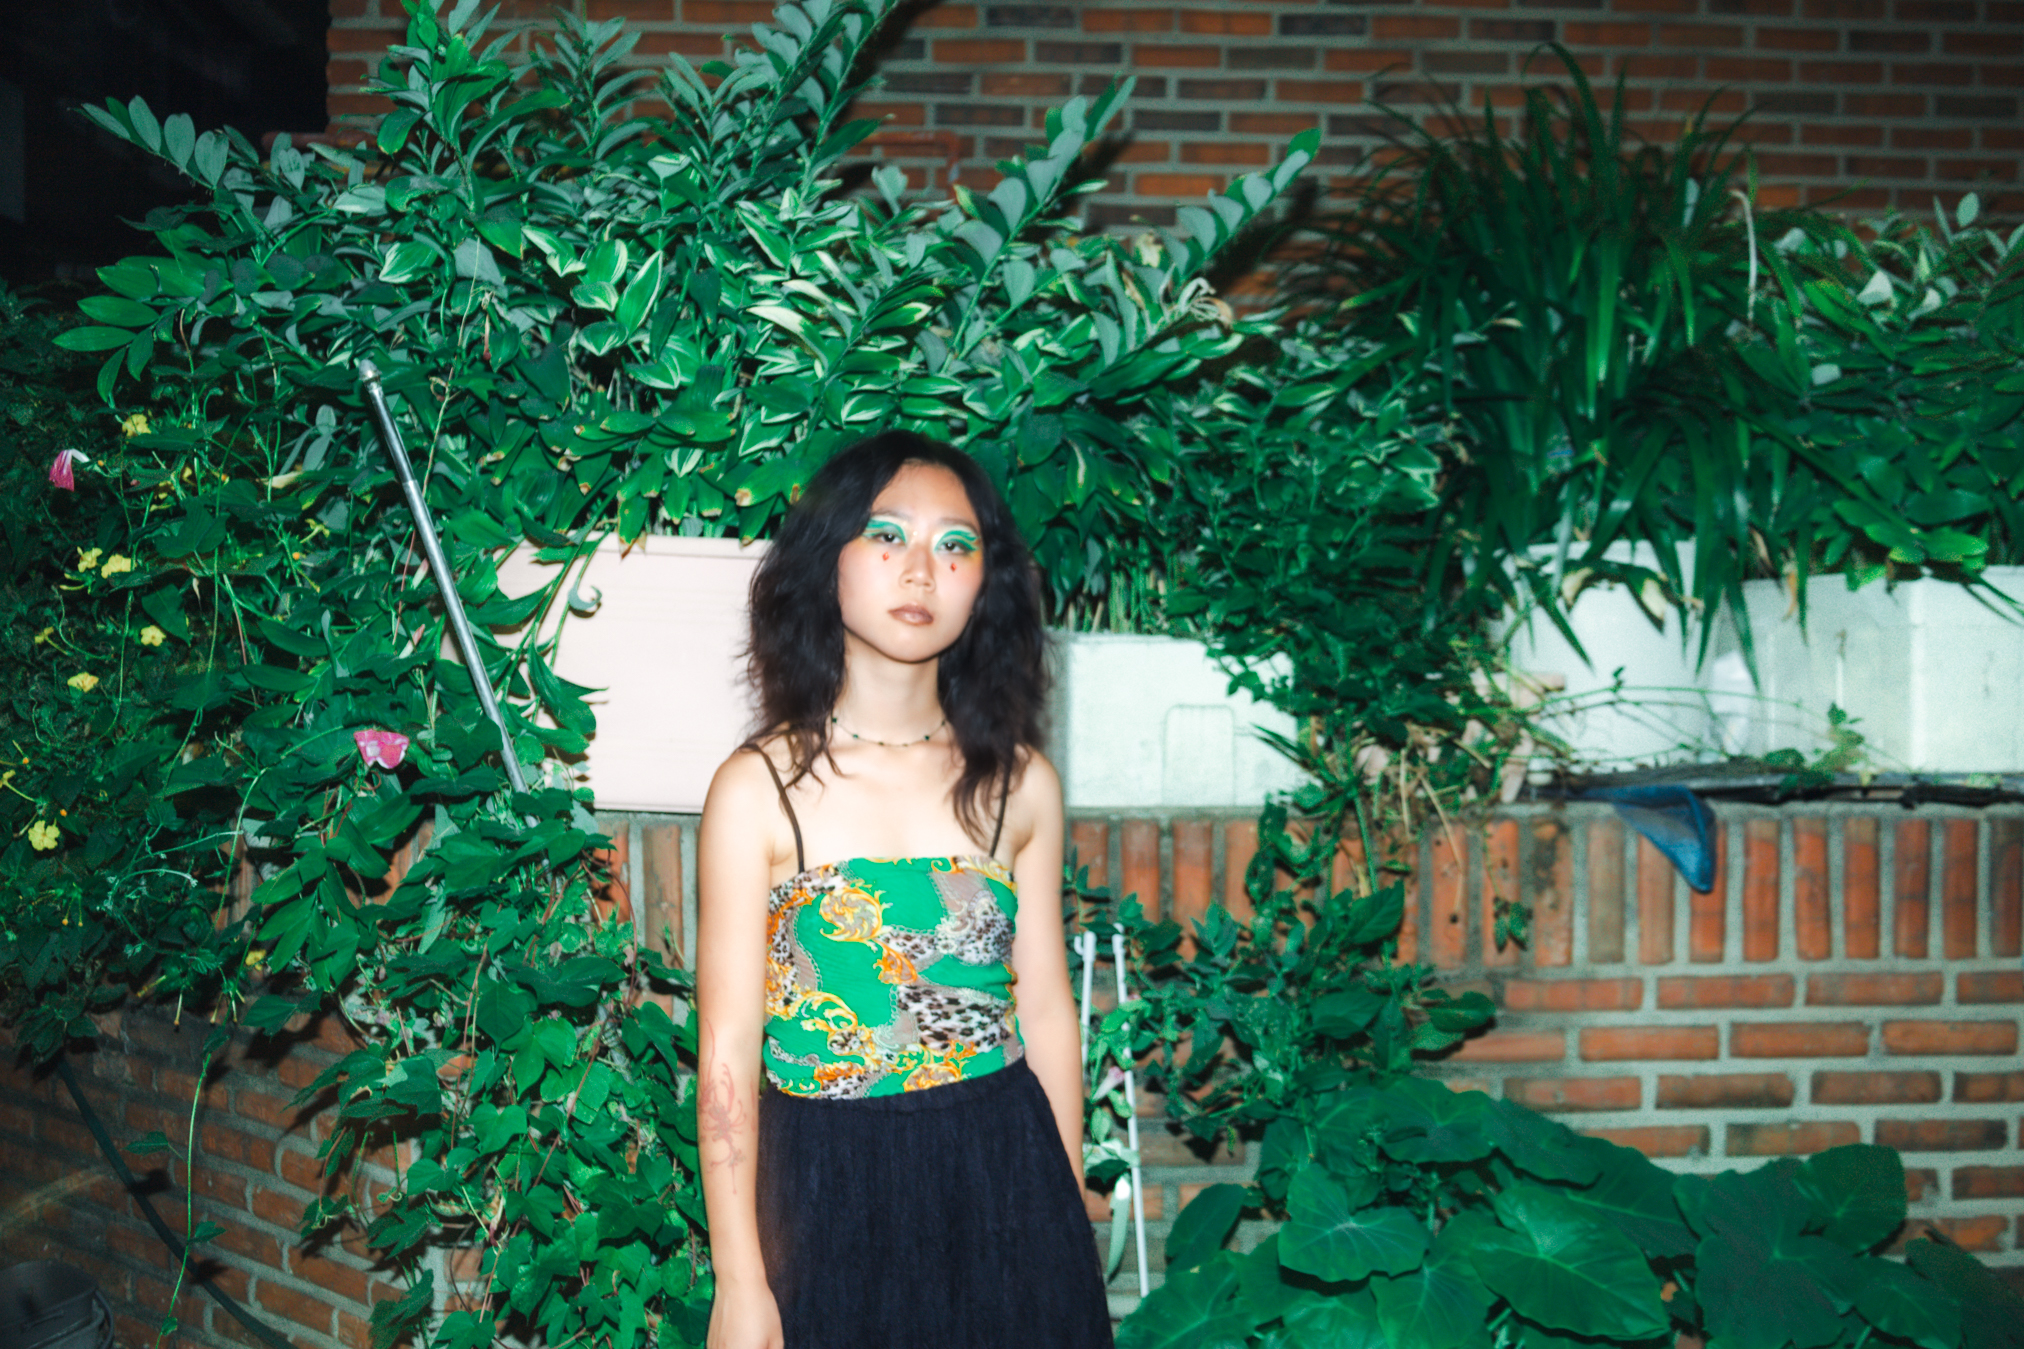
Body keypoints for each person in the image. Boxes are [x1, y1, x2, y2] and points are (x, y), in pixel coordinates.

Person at [694, 430, 1114, 1349]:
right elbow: (728, 1049)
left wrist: (1062, 1212)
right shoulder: (758, 789)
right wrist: (740, 1279)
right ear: (829, 557)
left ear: (984, 581)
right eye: (889, 535)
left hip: (1004, 1175)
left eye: (955, 545)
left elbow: (1045, 1011)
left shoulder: (1019, 786)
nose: (922, 569)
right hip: (825, 1189)